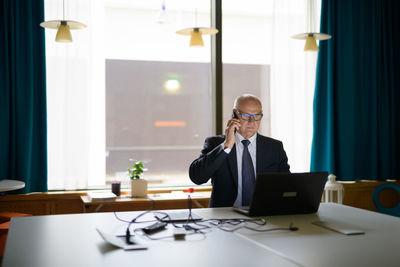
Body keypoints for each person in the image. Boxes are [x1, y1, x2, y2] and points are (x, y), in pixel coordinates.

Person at [189, 94, 290, 207]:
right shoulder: (215, 144)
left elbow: (287, 186)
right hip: (224, 218)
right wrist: (226, 146)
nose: (252, 122)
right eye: (246, 116)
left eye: (256, 116)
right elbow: (197, 178)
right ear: (235, 114)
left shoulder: (274, 147)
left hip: (263, 216)